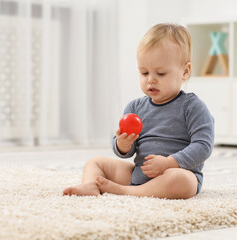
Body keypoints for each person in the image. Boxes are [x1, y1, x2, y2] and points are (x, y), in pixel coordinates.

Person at [63, 23, 214, 199]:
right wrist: (123, 144)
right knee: (95, 162)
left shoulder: (192, 106)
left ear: (185, 72)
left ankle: (127, 191)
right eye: (144, 73)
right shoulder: (135, 108)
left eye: (161, 73)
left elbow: (203, 146)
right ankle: (89, 186)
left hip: (173, 175)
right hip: (138, 174)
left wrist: (168, 163)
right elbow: (125, 151)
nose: (151, 80)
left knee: (183, 181)